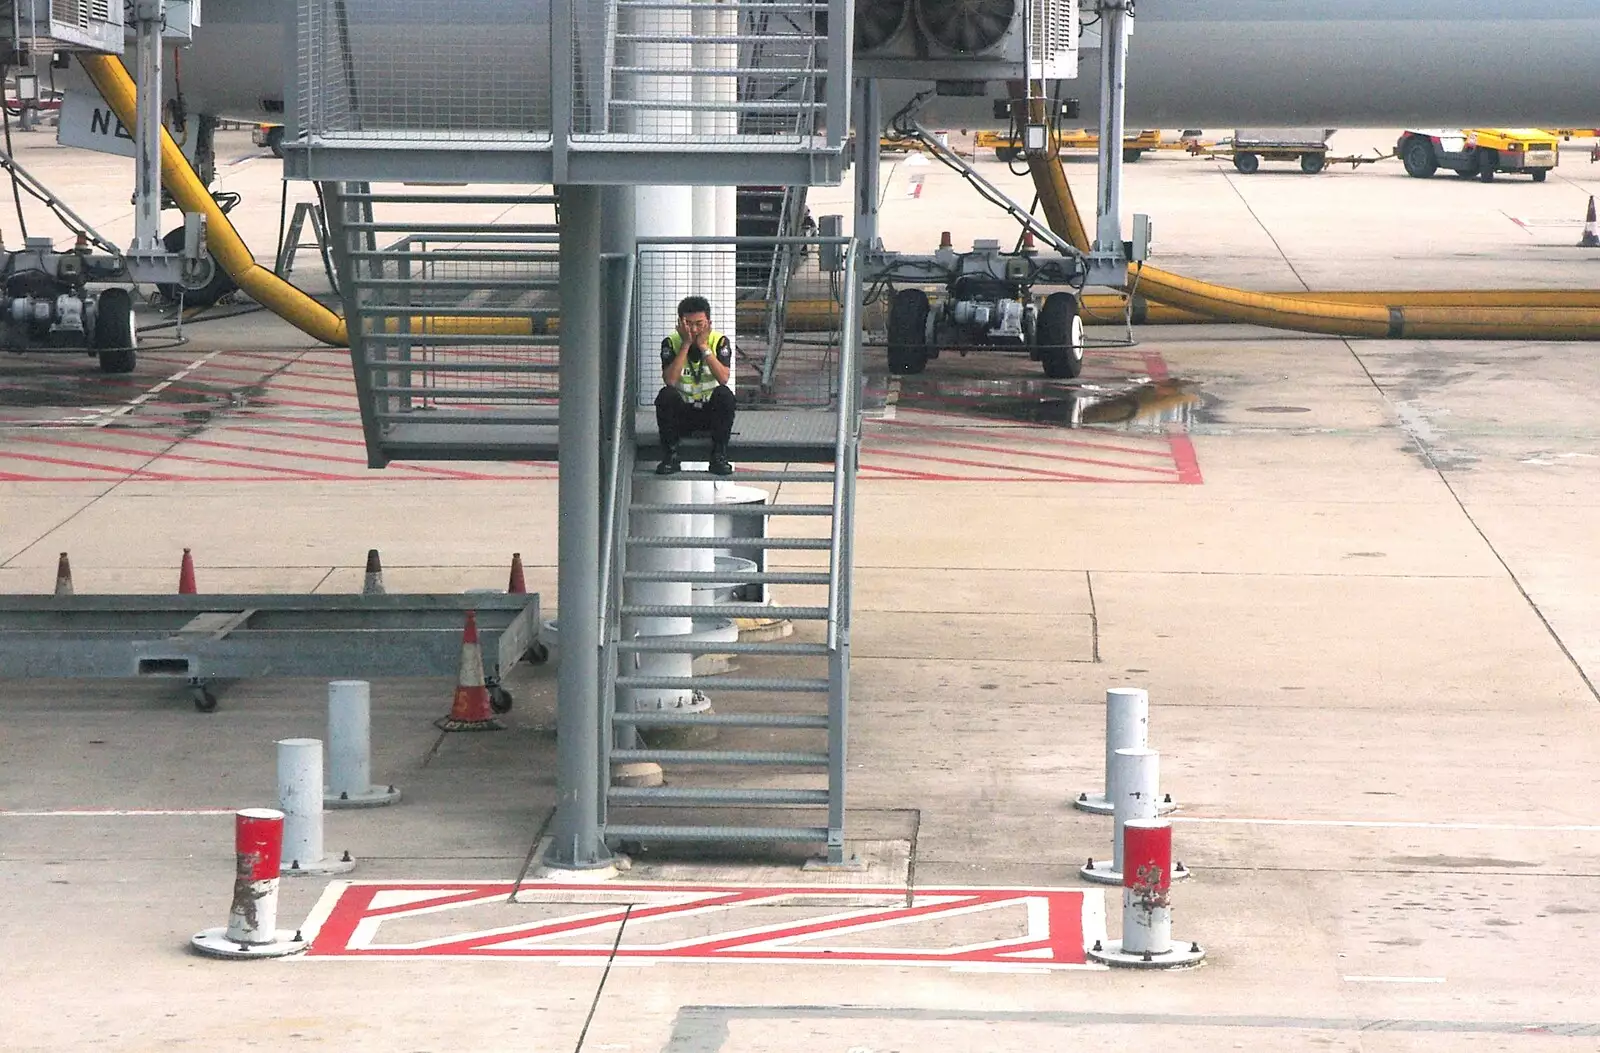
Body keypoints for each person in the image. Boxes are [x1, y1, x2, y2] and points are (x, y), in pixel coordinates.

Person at [655, 294, 735, 476]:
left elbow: (723, 378)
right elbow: (670, 380)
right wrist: (686, 344)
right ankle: (671, 456)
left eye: (699, 324)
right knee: (666, 395)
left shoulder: (719, 341)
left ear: (709, 322)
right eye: (688, 324)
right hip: (683, 413)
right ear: (680, 324)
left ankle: (719, 456)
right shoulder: (671, 343)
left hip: (710, 413)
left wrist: (704, 347)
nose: (694, 329)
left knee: (725, 394)